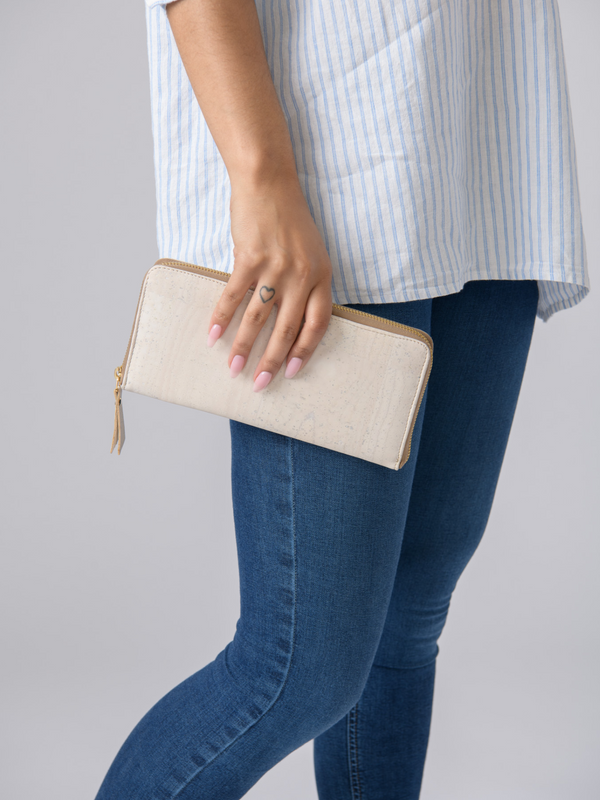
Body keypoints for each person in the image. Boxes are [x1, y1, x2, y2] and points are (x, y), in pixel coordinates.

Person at [95, 1, 590, 797]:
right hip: (336, 165)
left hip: (492, 146)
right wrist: (261, 175)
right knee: (295, 668)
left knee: (407, 614)